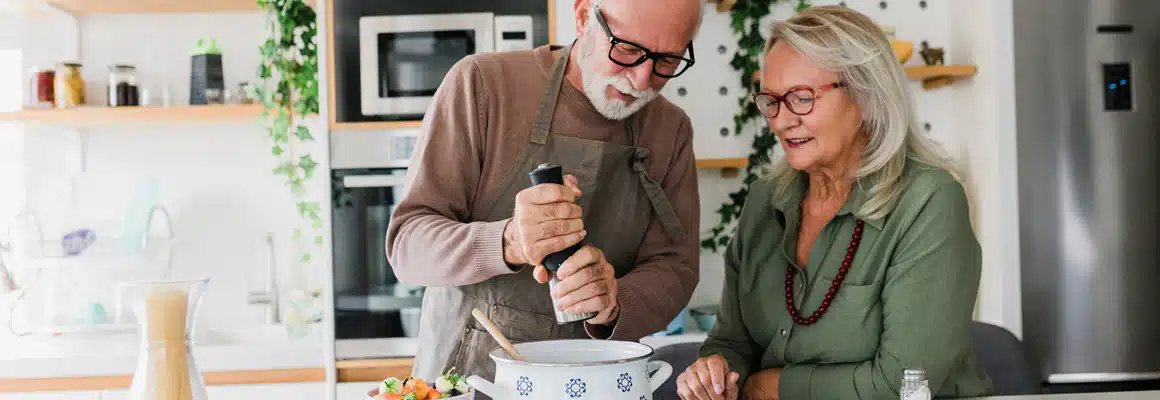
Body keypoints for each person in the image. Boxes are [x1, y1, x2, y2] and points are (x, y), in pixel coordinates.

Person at [676, 6, 993, 400]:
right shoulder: (764, 200)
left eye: (802, 98)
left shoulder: (930, 201)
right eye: (771, 100)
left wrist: (770, 387)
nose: (779, 120)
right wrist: (716, 372)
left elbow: (905, 382)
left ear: (865, 96)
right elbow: (733, 343)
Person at [385, 0, 704, 383]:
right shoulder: (483, 85)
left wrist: (615, 301)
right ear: (584, 16)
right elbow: (407, 246)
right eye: (628, 50)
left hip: (595, 385)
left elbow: (676, 267)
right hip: (470, 379)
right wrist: (507, 242)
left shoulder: (671, 130)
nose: (641, 79)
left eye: (667, 61)